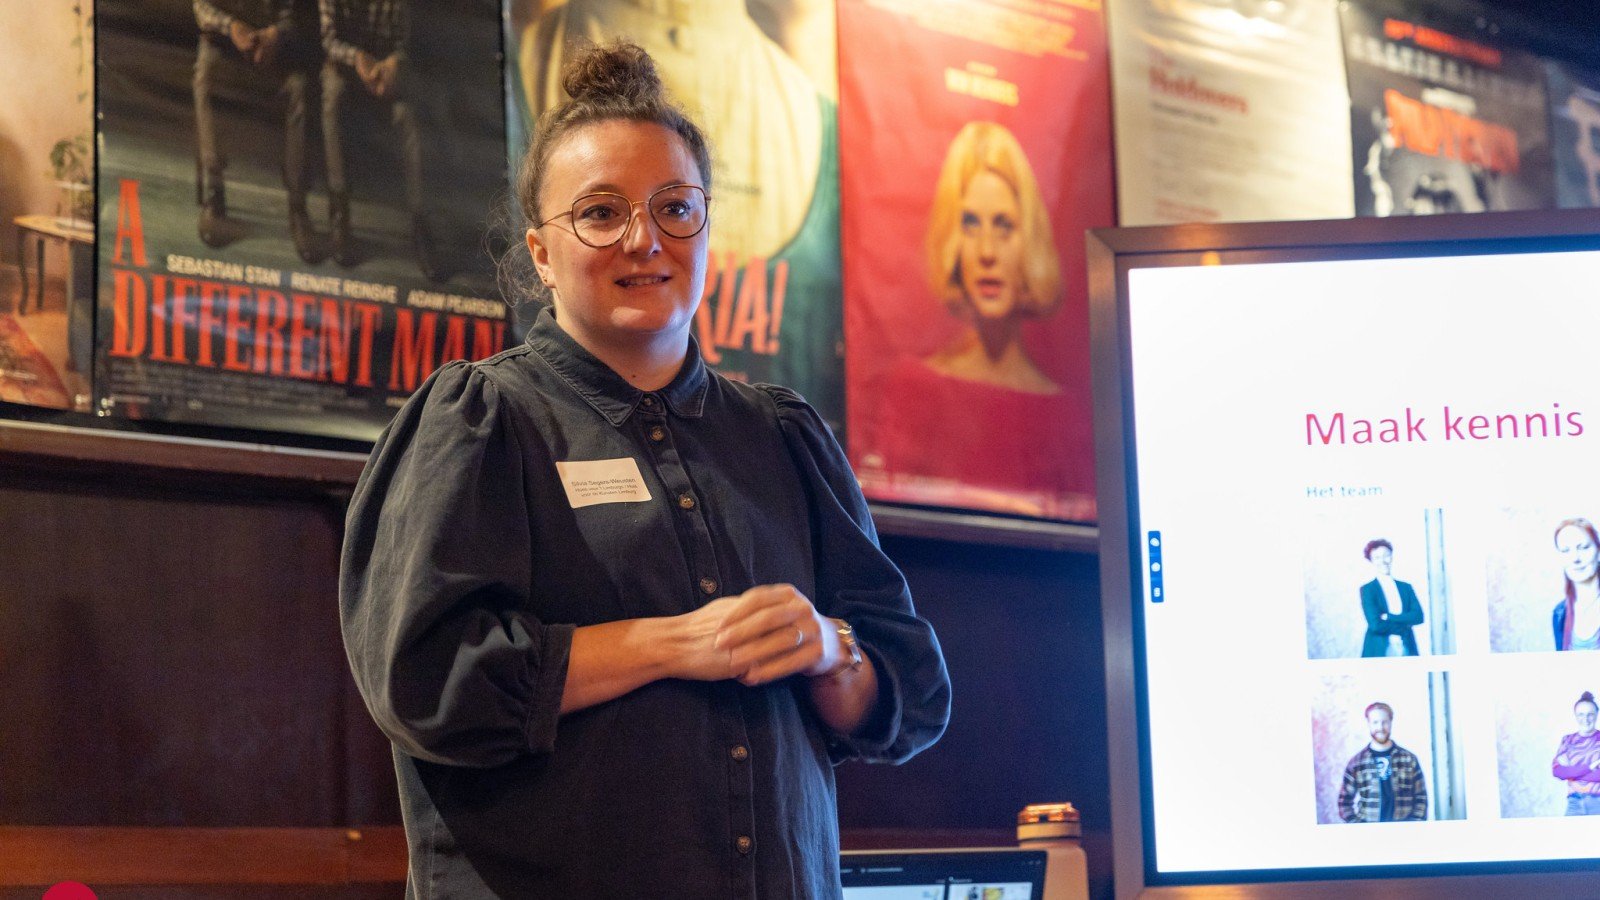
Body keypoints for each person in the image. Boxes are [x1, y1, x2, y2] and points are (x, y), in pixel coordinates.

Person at [339, 42, 950, 898]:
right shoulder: (482, 421)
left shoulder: (783, 437)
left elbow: (910, 695)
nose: (645, 240)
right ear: (541, 254)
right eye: (601, 212)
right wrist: (674, 644)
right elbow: (428, 683)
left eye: (675, 208)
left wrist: (829, 649)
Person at [851, 122, 1088, 520]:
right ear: (953, 239)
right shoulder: (913, 390)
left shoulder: (1066, 418)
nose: (986, 252)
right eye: (971, 224)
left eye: (1004, 225)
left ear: (1029, 241)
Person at [318, 0, 443, 280]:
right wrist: (357, 58)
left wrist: (394, 63)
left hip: (386, 73)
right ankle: (339, 215)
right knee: (333, 96)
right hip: (346, 70)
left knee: (410, 117)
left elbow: (405, 41)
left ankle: (420, 223)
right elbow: (328, 40)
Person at [192, 0, 321, 262]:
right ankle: (214, 192)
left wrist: (275, 34)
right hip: (224, 43)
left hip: (273, 48)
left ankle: (298, 204)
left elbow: (296, 14)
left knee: (300, 88)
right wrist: (231, 27)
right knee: (204, 79)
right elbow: (201, 7)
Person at [1338, 701, 1428, 823]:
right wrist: (1359, 828)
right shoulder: (1356, 763)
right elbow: (1344, 803)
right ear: (1369, 724)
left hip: (1404, 830)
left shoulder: (1409, 759)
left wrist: (1413, 826)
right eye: (1375, 722)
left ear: (1391, 722)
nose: (1380, 727)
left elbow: (1421, 798)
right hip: (1369, 831)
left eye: (1384, 722)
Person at [1358, 538, 1424, 657]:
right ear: (1371, 560)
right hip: (1378, 649)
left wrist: (1389, 616)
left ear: (1392, 557)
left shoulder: (1406, 587)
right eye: (1377, 557)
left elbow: (1418, 616)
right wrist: (1405, 627)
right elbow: (1375, 625)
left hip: (1407, 646)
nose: (1383, 561)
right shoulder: (1368, 589)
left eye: (1386, 556)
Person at [1552, 518, 1600, 650]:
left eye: (1584, 548)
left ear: (1598, 550)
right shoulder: (1560, 613)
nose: (1575, 558)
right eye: (1565, 550)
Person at [1552, 691, 1600, 815]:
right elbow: (1557, 771)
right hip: (1574, 803)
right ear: (1575, 716)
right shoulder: (1567, 740)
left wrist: (1572, 773)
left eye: (1590, 714)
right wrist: (1590, 768)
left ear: (1597, 714)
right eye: (1581, 714)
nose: (1585, 719)